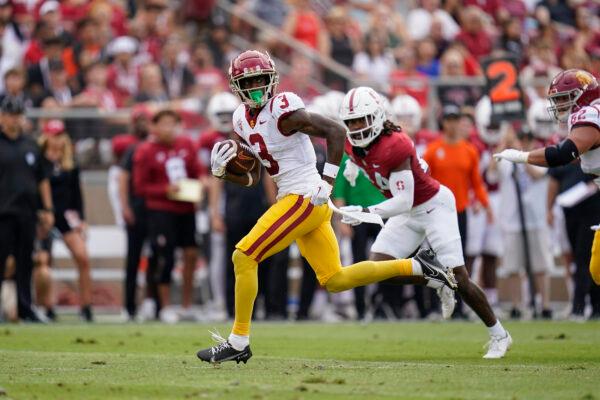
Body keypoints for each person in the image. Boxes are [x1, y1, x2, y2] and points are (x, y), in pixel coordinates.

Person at [196, 50, 456, 364]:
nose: (254, 88)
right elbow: (252, 177)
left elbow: (336, 131)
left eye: (259, 80)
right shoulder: (240, 118)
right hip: (294, 197)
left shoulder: (282, 108)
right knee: (335, 279)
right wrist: (224, 172)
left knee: (243, 255)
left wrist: (327, 180)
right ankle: (421, 267)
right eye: (247, 82)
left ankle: (238, 341)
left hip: (306, 195)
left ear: (271, 80)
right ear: (236, 86)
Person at [339, 87, 510, 359]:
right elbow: (360, 157)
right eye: (351, 122)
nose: (356, 127)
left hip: (432, 206)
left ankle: (499, 335)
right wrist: (351, 166)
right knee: (379, 267)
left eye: (362, 120)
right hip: (409, 211)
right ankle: (435, 279)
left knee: (460, 278)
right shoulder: (353, 142)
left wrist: (366, 210)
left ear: (378, 116)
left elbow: (404, 201)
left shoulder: (396, 145)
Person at [494, 69, 600, 286]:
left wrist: (523, 156)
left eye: (564, 98)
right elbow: (578, 156)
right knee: (596, 269)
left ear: (584, 94)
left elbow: (563, 153)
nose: (559, 104)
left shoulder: (590, 113)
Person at [133, 109, 199, 324]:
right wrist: (165, 190)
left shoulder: (187, 145)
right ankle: (165, 306)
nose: (168, 128)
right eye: (163, 123)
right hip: (161, 211)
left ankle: (187, 306)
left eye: (173, 123)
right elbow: (140, 187)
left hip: (186, 209)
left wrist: (200, 187)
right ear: (154, 127)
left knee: (190, 254)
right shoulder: (146, 151)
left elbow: (197, 173)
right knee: (165, 256)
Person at [0, 96, 54, 322]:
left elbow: (42, 179)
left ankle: (25, 307)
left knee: (25, 261)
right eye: (11, 114)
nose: (15, 119)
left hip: (27, 213)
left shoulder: (30, 143)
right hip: (2, 212)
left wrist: (48, 209)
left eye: (18, 115)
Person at [38, 119, 94, 321]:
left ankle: (86, 306)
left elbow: (76, 194)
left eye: (60, 135)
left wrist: (82, 219)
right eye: (53, 135)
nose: (57, 140)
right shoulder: (38, 161)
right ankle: (46, 306)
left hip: (66, 216)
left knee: (83, 256)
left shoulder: (70, 164)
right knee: (43, 261)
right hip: (45, 215)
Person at [116, 105, 158, 321]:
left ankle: (154, 303)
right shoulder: (132, 148)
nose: (143, 123)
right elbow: (122, 178)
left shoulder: (158, 146)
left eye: (146, 119)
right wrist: (125, 206)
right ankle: (129, 306)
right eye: (138, 119)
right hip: (138, 207)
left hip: (157, 208)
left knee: (157, 257)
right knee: (133, 258)